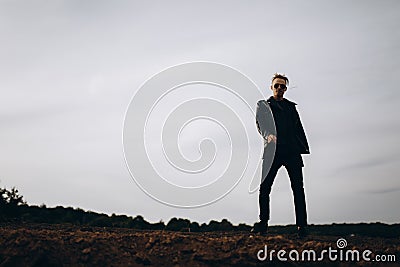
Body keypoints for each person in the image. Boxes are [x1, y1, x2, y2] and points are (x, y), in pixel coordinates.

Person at [252, 73, 310, 237]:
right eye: (276, 85)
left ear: (285, 89)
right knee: (264, 188)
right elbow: (260, 122)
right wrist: (267, 135)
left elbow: (298, 128)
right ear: (271, 87)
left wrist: (301, 148)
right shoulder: (263, 105)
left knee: (298, 189)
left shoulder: (291, 107)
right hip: (273, 152)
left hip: (291, 152)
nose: (279, 88)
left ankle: (302, 226)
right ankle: (263, 224)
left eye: (282, 86)